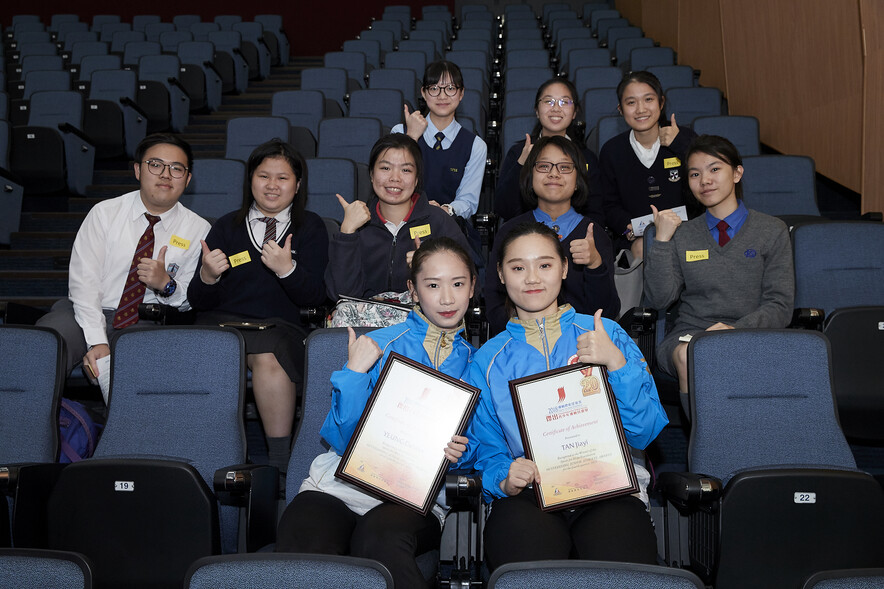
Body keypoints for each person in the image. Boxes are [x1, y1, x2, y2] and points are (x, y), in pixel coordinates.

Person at [462, 222, 667, 572]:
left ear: (564, 268)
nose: (532, 278)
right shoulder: (487, 359)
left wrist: (615, 363)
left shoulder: (604, 333)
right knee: (527, 568)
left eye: (544, 265)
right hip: (529, 493)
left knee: (622, 566)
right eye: (517, 267)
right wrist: (504, 475)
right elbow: (485, 447)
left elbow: (645, 431)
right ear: (500, 274)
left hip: (608, 486)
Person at [277, 237, 478, 589]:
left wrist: (462, 452)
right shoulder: (378, 344)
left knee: (380, 541)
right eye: (432, 285)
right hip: (340, 486)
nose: (447, 298)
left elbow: (479, 447)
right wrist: (354, 373)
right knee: (303, 542)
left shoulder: (478, 364)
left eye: (458, 284)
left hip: (414, 498)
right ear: (412, 291)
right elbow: (338, 436)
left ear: (472, 288)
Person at [187, 139, 329, 475]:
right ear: (250, 180)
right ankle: (207, 455)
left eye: (282, 177)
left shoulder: (310, 227)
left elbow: (316, 297)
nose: (272, 185)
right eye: (264, 176)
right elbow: (197, 301)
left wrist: (287, 270)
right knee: (210, 351)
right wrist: (207, 276)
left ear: (297, 185)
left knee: (269, 359)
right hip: (221, 324)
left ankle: (279, 464)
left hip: (280, 327)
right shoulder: (225, 226)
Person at [36, 133, 210, 389]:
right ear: (138, 170)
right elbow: (84, 284)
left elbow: (188, 302)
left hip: (146, 319)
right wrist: (97, 341)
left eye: (176, 168)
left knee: (139, 365)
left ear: (188, 179)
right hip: (84, 311)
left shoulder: (199, 229)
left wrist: (166, 285)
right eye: (156, 165)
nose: (165, 174)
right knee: (45, 345)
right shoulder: (104, 214)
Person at [643, 134, 795, 408]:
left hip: (751, 332)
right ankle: (710, 445)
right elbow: (660, 300)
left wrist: (734, 329)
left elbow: (780, 305)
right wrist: (662, 241)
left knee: (720, 355)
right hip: (691, 333)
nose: (705, 180)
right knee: (690, 355)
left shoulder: (772, 231)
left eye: (715, 169)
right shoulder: (682, 234)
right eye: (694, 174)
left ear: (737, 173)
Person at [485, 136, 619, 335]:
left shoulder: (593, 234)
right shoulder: (510, 232)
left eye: (564, 167)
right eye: (544, 166)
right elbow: (494, 305)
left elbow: (606, 312)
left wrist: (595, 265)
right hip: (521, 342)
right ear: (530, 178)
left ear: (578, 181)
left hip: (579, 347)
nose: (554, 174)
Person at [325, 133, 472, 300]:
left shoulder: (439, 222)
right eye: (385, 168)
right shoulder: (356, 225)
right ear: (372, 175)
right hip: (365, 324)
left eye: (406, 170)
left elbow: (469, 286)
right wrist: (347, 234)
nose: (395, 178)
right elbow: (340, 296)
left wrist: (430, 265)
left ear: (417, 179)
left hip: (424, 323)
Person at [599, 71, 697, 258]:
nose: (641, 109)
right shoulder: (612, 151)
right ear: (620, 109)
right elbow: (609, 205)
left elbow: (705, 180)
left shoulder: (684, 139)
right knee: (643, 248)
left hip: (686, 230)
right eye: (631, 102)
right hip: (638, 238)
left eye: (648, 99)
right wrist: (627, 226)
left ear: (661, 102)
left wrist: (680, 145)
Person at [494, 77, 603, 223]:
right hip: (526, 236)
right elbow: (504, 209)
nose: (556, 108)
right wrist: (521, 164)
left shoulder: (586, 157)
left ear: (575, 112)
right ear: (537, 111)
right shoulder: (519, 152)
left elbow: (595, 211)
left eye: (564, 102)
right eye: (548, 101)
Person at [392, 60, 487, 221]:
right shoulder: (400, 132)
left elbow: (467, 201)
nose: (442, 96)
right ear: (423, 92)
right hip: (403, 221)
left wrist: (443, 210)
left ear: (461, 93)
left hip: (448, 225)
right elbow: (393, 182)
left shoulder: (476, 146)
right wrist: (412, 138)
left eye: (450, 88)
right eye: (434, 88)